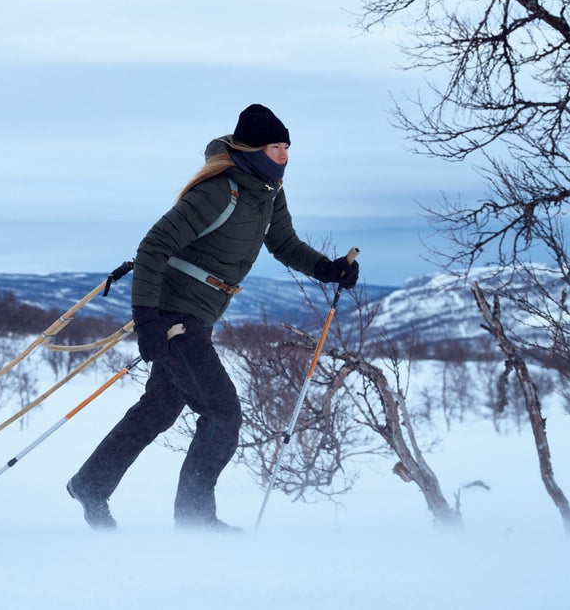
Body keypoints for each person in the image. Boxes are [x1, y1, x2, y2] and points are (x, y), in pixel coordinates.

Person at [66, 104, 359, 532]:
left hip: (199, 313)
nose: (284, 156)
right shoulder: (218, 191)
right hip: (173, 312)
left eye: (287, 147)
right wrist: (147, 322)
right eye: (276, 147)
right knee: (222, 413)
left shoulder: (269, 191)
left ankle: (91, 484)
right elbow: (153, 247)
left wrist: (328, 269)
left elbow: (284, 243)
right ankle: (195, 522)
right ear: (253, 149)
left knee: (161, 407)